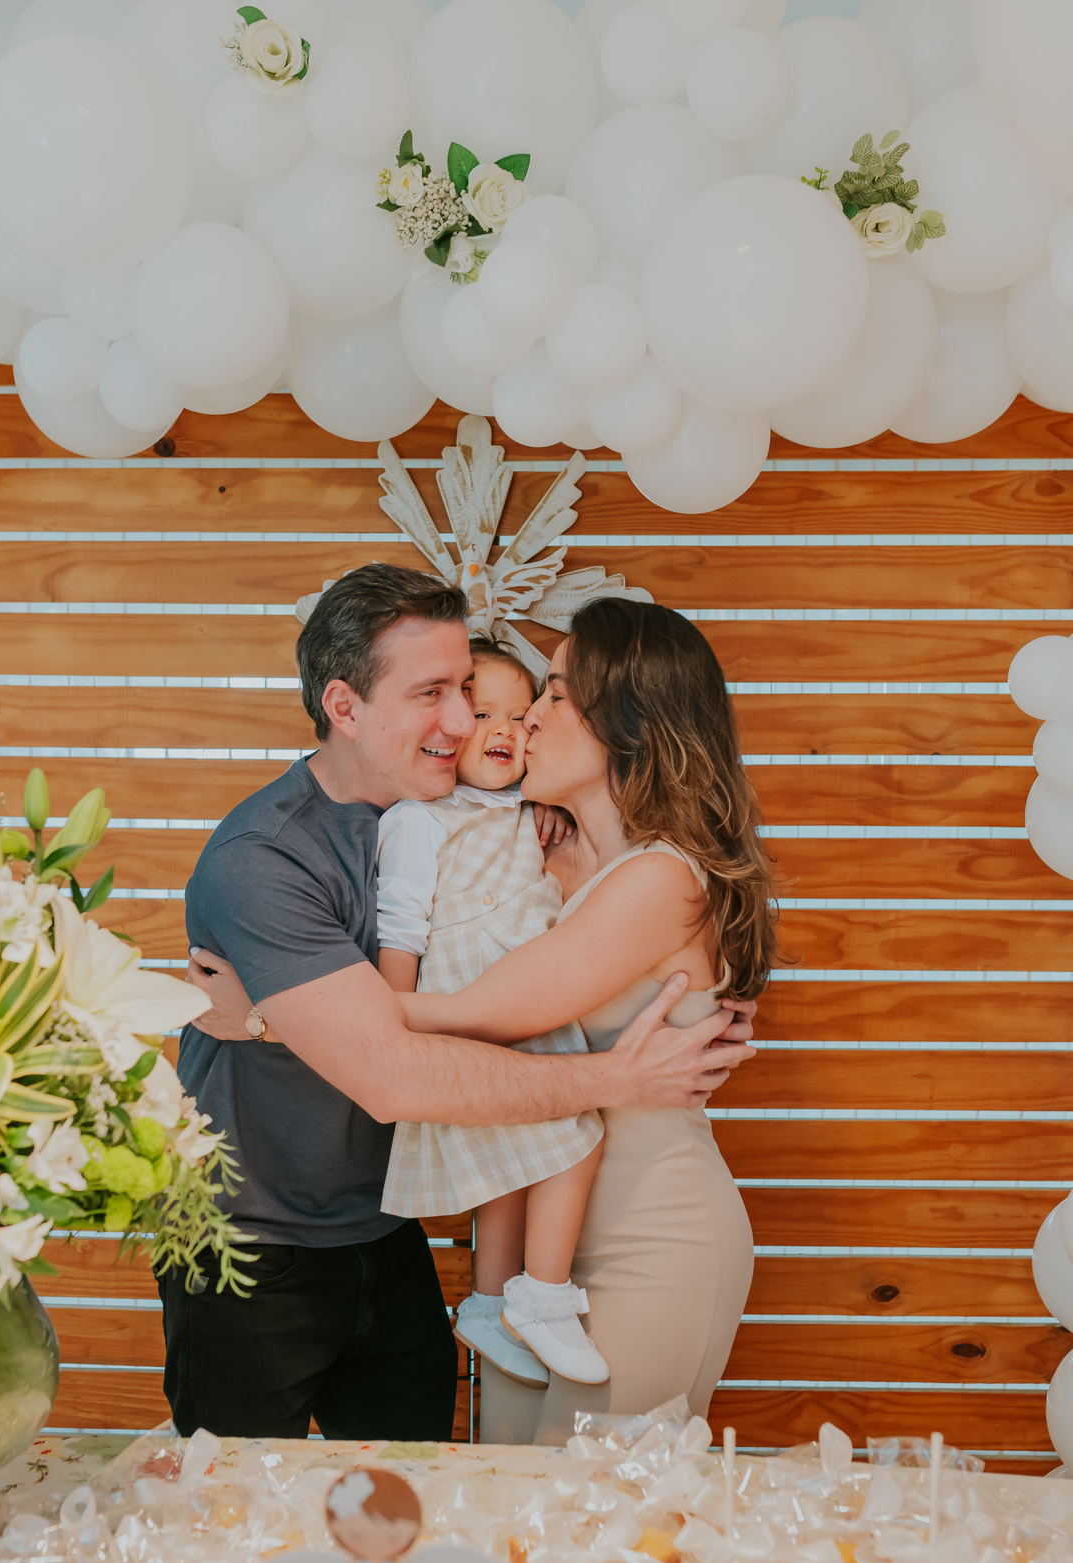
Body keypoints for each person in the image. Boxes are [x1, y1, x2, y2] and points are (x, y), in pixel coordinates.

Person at [175, 566, 758, 1444]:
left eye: (537, 697)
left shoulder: (536, 839)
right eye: (436, 694)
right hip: (267, 1244)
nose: (484, 723)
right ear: (344, 705)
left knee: (537, 1507)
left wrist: (268, 1013)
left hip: (474, 1238)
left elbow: (516, 1000)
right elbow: (398, 1071)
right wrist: (287, 1015)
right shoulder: (275, 856)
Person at [395, 597, 780, 1441]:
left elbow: (479, 1015)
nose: (528, 716)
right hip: (542, 1269)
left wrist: (290, 1009)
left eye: (558, 694)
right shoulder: (563, 859)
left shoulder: (664, 880)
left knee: (592, 1529)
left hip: (651, 1238)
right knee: (512, 1515)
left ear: (627, 721)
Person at [376, 637, 607, 1388]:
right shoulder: (423, 819)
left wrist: (551, 822)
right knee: (572, 1139)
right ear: (445, 726)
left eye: (521, 714)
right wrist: (392, 1022)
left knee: (513, 1172)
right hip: (466, 1015)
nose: (505, 729)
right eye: (482, 714)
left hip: (525, 1008)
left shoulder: (533, 815)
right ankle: (540, 1295)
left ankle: (487, 1300)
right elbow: (401, 926)